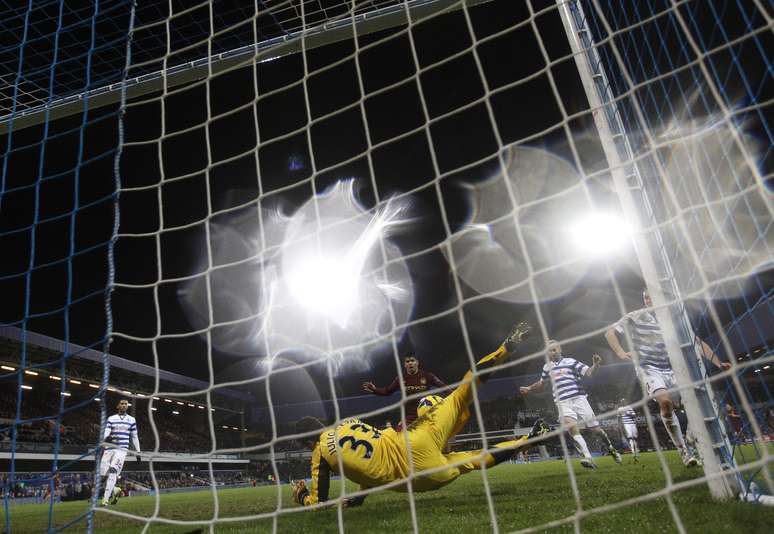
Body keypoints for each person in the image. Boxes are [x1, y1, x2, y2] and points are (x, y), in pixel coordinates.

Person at [292, 322, 548, 507]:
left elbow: (320, 501)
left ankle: (530, 440)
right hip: (417, 434)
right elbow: (374, 448)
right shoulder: (348, 424)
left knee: (473, 459)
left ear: (307, 442)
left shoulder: (320, 453)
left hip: (419, 474)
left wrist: (302, 495)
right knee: (462, 392)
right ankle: (505, 348)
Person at [605, 288, 731, 467]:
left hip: (674, 369)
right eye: (646, 297)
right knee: (665, 402)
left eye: (652, 296)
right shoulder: (636, 316)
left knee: (698, 404)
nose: (648, 299)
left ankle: (689, 440)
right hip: (648, 368)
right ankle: (684, 452)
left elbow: (696, 342)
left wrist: (718, 362)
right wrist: (619, 352)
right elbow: (610, 332)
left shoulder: (673, 319)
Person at [520, 340, 622, 469]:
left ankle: (611, 449)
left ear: (560, 349)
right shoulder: (547, 367)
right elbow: (542, 383)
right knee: (571, 428)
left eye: (554, 349)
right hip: (562, 402)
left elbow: (589, 373)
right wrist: (529, 388)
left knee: (596, 430)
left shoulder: (571, 362)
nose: (552, 353)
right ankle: (588, 458)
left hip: (579, 399)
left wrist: (595, 364)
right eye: (549, 351)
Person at [362, 355, 447, 429]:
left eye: (412, 360)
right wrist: (374, 389)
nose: (410, 363)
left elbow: (444, 387)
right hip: (410, 417)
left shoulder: (427, 376)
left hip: (426, 415)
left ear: (417, 362)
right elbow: (387, 391)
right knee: (400, 435)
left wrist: (457, 395)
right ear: (405, 365)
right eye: (407, 361)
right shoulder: (401, 378)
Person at [99, 398, 141, 506]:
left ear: (127, 406)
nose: (124, 405)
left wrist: (138, 452)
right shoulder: (111, 418)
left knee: (113, 471)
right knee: (103, 475)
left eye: (126, 404)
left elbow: (135, 436)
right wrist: (104, 440)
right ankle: (116, 490)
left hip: (121, 450)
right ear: (118, 406)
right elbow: (107, 431)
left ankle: (105, 500)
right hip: (109, 448)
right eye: (122, 404)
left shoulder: (132, 420)